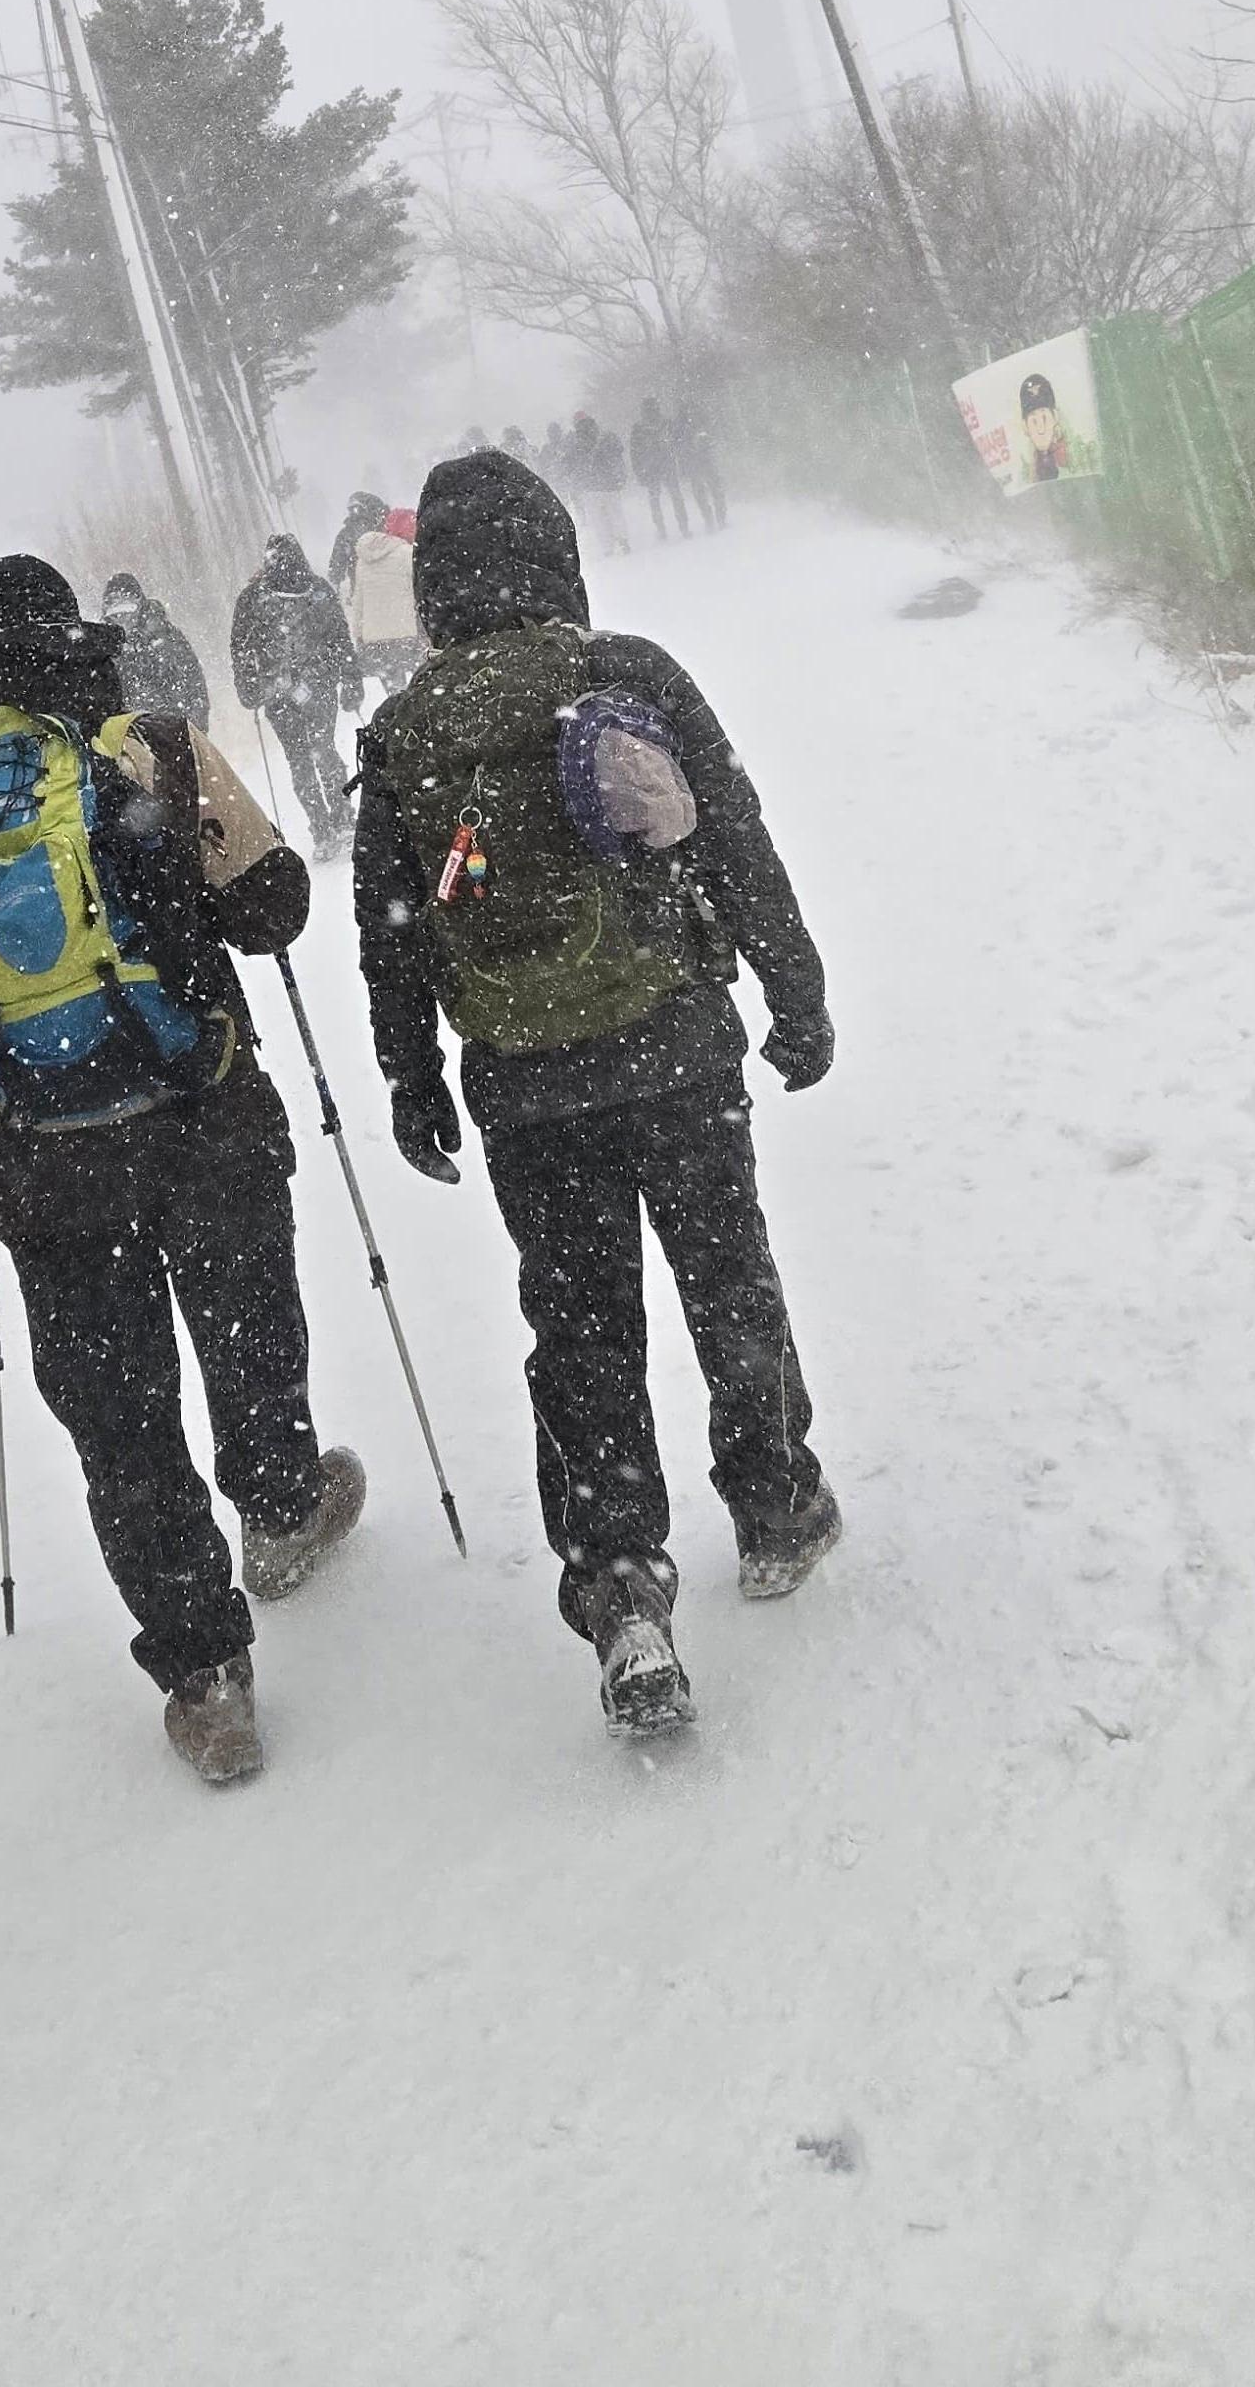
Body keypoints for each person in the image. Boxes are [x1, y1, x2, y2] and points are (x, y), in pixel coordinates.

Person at [0, 553, 364, 1789]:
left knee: (116, 1410)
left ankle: (202, 1674)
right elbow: (278, 905)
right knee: (245, 1328)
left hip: (44, 1164)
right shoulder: (157, 749)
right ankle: (282, 1506)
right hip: (201, 1115)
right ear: (75, 642)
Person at [352, 451, 839, 1739]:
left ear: (435, 588)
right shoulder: (624, 673)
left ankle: (620, 1588)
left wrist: (410, 1077)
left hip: (524, 1090)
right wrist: (796, 992)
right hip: (675, 1047)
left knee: (579, 1331)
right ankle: (774, 1500)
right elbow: (732, 834)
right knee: (724, 1273)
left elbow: (389, 932)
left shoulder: (403, 736)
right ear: (553, 554)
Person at [231, 533, 361, 857]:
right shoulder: (317, 590)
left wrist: (250, 686)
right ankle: (340, 820)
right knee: (322, 751)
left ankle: (323, 829)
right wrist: (349, 679)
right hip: (316, 685)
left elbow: (241, 649)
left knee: (301, 759)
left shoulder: (251, 599)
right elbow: (340, 637)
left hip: (279, 691)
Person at [101, 569, 210, 730]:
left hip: (170, 730)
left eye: (127, 607)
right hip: (124, 734)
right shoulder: (104, 646)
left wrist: (194, 729)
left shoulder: (166, 638)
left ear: (139, 606)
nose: (121, 617)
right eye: (115, 610)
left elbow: (194, 686)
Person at [342, 503, 424, 698]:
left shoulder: (364, 560)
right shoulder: (409, 555)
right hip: (407, 637)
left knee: (396, 696)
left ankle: (401, 724)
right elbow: (420, 594)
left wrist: (359, 637)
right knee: (421, 691)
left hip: (376, 643)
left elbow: (358, 602)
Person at [570, 408, 630, 561]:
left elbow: (572, 465)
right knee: (616, 513)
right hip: (610, 483)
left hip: (590, 487)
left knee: (598, 519)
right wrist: (620, 476)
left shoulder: (576, 442)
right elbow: (618, 452)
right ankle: (623, 540)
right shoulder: (605, 435)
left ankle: (607, 547)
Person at [630, 396, 689, 542]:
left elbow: (634, 452)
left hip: (649, 468)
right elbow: (678, 441)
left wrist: (639, 471)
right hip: (667, 464)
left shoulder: (638, 427)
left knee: (655, 500)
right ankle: (684, 527)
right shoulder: (666, 423)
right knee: (676, 496)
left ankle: (661, 530)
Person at [673, 400, 728, 535]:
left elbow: (678, 446)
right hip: (703, 460)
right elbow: (711, 436)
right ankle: (718, 518)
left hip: (696, 461)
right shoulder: (701, 419)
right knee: (714, 489)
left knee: (703, 492)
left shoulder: (681, 424)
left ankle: (711, 518)